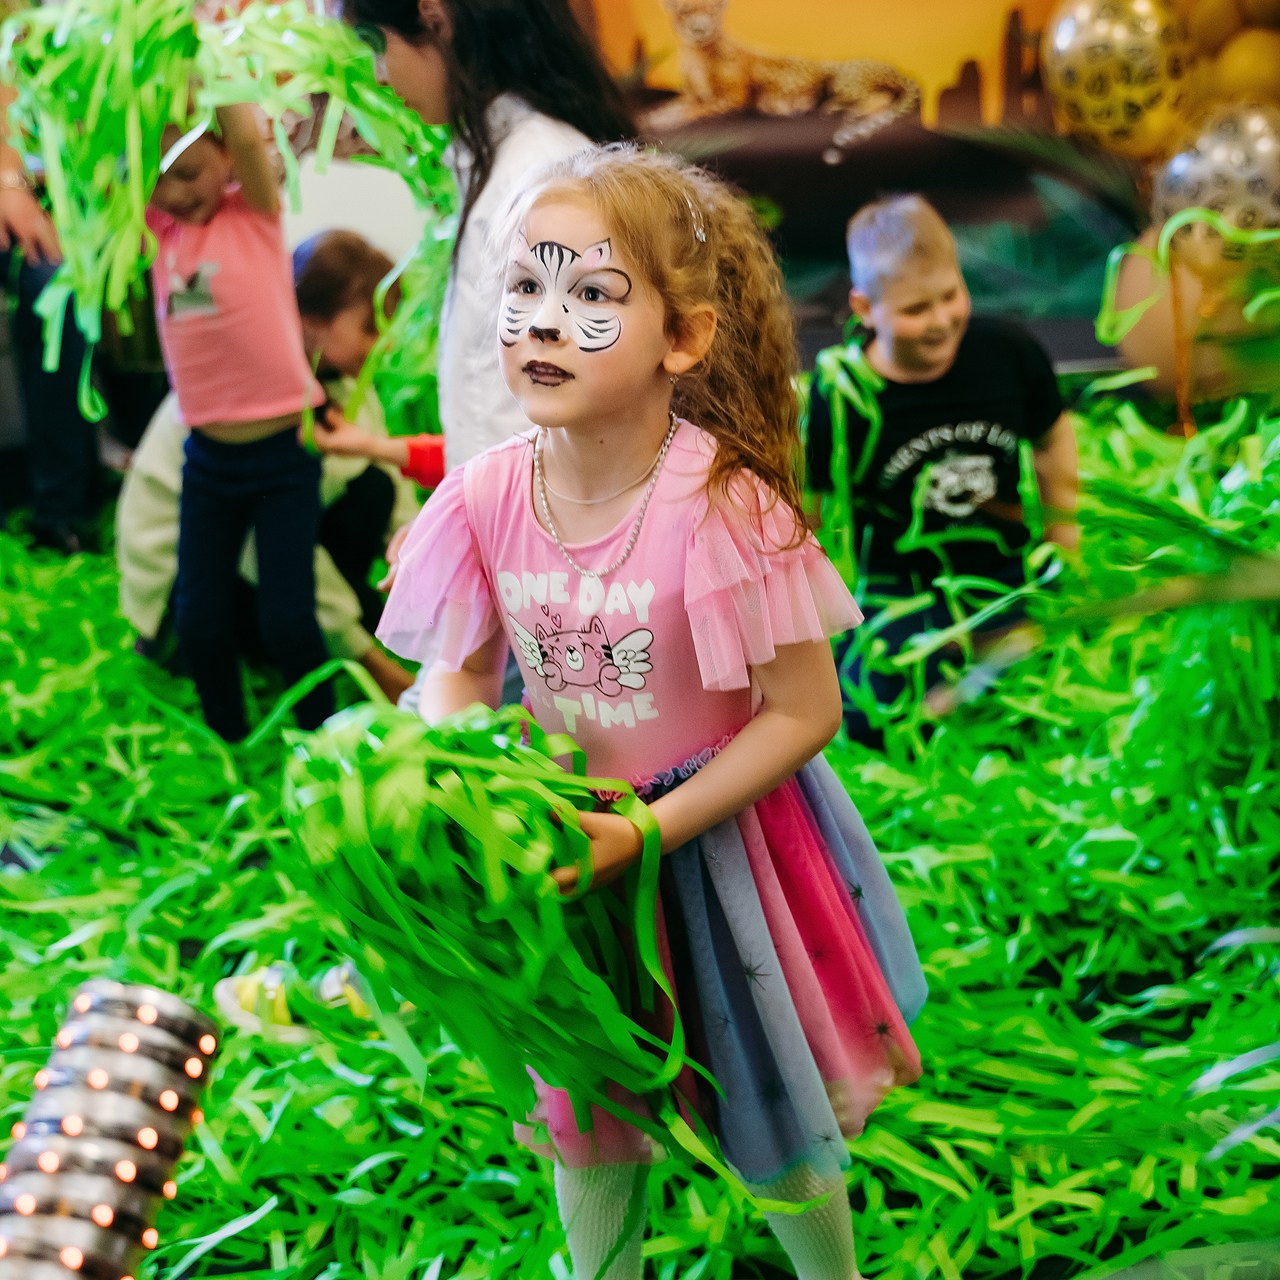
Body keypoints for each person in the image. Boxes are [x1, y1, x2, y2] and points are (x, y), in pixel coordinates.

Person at [377, 145, 927, 1280]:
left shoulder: (720, 503)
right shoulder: (482, 498)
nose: (538, 321)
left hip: (722, 859)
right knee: (585, 1109)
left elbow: (802, 711)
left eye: (588, 297)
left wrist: (650, 829)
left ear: (680, 339)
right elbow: (462, 681)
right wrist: (451, 781)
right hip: (565, 856)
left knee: (767, 1101)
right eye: (524, 288)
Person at [805, 194, 1079, 742]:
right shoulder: (844, 393)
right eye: (914, 310)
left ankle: (975, 689)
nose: (940, 322)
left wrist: (1063, 535)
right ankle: (956, 699)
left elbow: (1050, 435)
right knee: (866, 713)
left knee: (1055, 679)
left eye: (951, 296)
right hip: (901, 588)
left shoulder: (1008, 352)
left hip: (1002, 573)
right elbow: (811, 506)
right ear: (865, 309)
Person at [330, 0, 633, 475]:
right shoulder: (516, 163)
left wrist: (475, 528)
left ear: (436, 18)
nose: (380, 75)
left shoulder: (537, 176)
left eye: (377, 44)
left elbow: (538, 402)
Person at [117, 229, 420, 704]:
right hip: (193, 584)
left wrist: (418, 559)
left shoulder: (340, 380)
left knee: (374, 490)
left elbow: (387, 477)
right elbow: (269, 547)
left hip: (272, 550)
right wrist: (370, 662)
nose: (382, 344)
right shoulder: (251, 405)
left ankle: (328, 630)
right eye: (369, 327)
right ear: (311, 324)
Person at [147, 104, 335, 740]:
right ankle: (228, 738)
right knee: (200, 618)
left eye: (192, 171)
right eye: (159, 177)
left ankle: (325, 738)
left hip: (285, 457)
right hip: (207, 461)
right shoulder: (156, 232)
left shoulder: (252, 211)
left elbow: (251, 138)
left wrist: (206, 42)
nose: (177, 191)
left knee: (290, 620)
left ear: (226, 156)